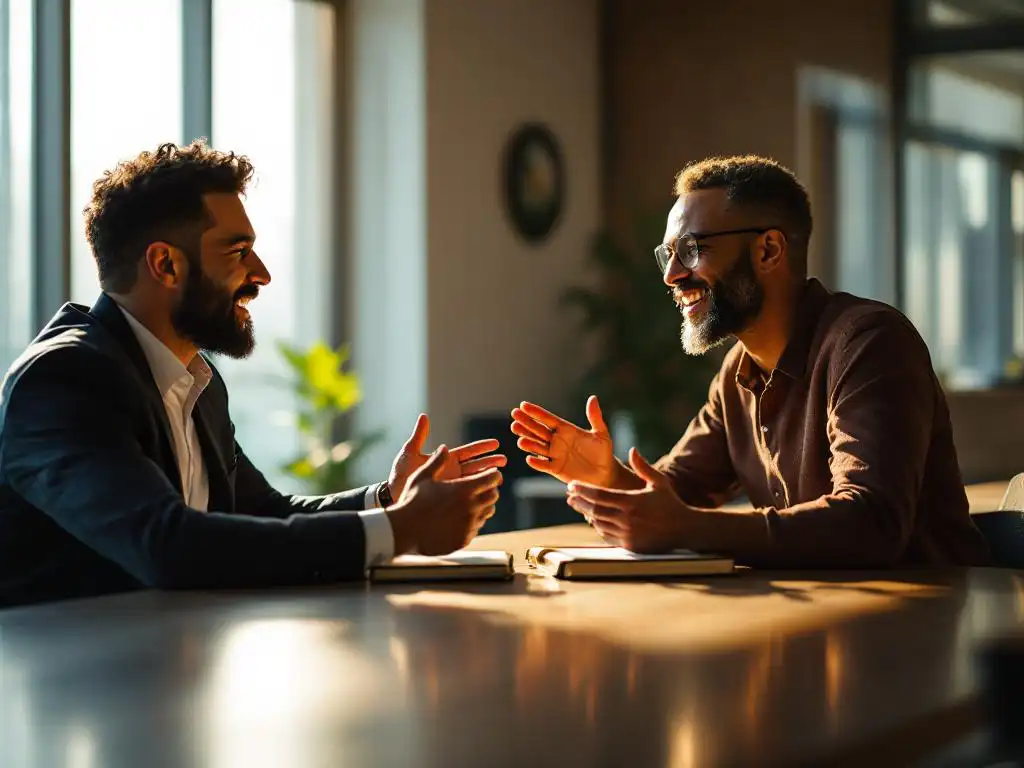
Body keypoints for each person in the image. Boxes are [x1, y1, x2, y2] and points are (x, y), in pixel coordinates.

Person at [0, 140, 505, 607]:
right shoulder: (65, 378)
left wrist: (389, 498)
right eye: (238, 252)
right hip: (59, 691)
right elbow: (166, 544)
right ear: (166, 265)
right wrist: (401, 529)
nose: (261, 273)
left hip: (158, 671)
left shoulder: (194, 380)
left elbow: (263, 514)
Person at [511, 154, 991, 568]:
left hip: (927, 632)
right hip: (825, 625)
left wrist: (692, 530)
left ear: (769, 249)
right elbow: (673, 500)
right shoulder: (736, 375)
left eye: (692, 250)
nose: (673, 275)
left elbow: (871, 522)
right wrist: (608, 476)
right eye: (668, 255)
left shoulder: (868, 342)